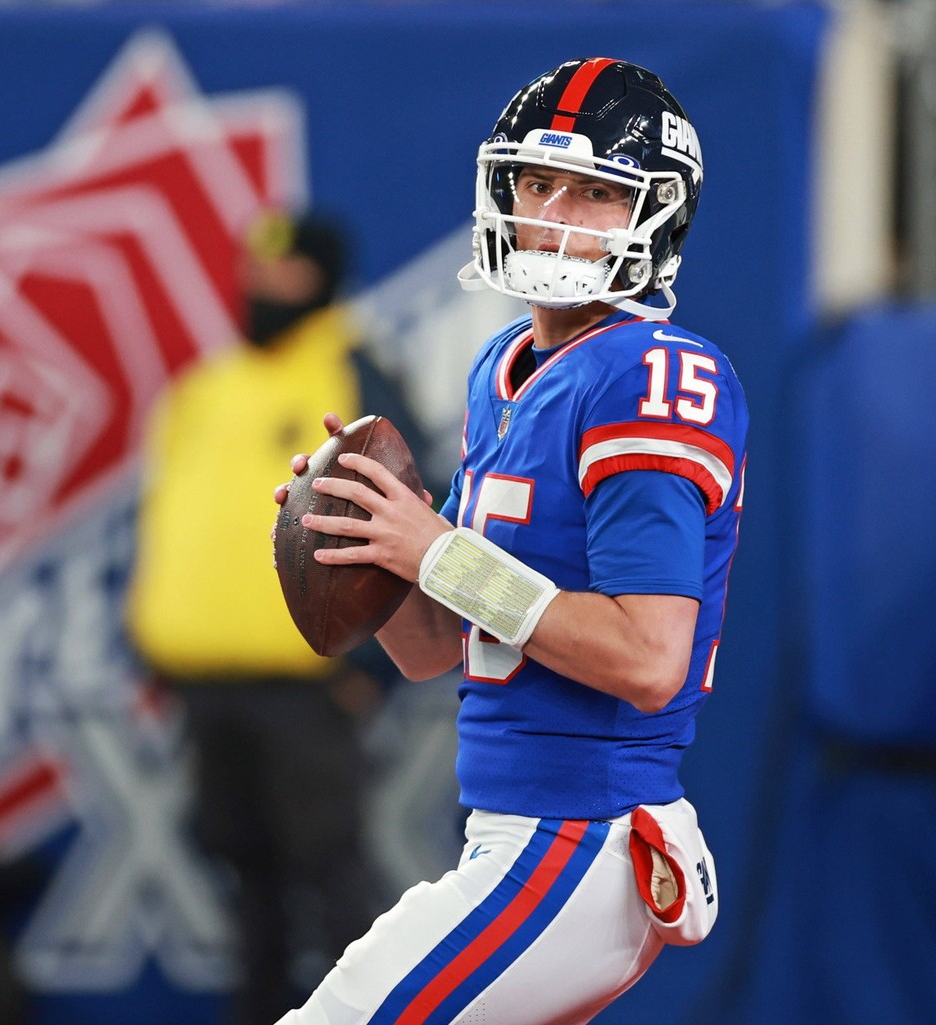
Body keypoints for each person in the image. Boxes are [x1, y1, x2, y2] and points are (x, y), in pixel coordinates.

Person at [273, 58, 747, 1025]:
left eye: (596, 191)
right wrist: (370, 543)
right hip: (511, 831)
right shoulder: (506, 366)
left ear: (655, 216)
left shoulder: (651, 374)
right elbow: (436, 651)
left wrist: (433, 549)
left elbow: (650, 659)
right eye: (538, 183)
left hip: (583, 834)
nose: (557, 212)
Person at [125, 210, 390, 1025]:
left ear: (324, 280)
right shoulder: (203, 389)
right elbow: (171, 523)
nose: (265, 287)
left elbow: (412, 522)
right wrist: (160, 651)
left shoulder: (355, 376)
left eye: (290, 272)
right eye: (257, 269)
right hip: (206, 684)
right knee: (246, 882)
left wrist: (370, 668)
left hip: (305, 688)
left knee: (335, 881)